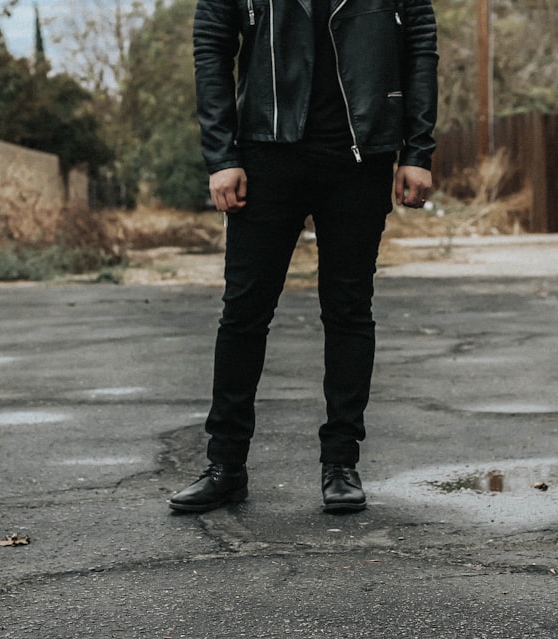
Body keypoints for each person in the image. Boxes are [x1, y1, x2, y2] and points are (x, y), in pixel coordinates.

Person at [168, 0, 438, 513]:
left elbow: (420, 44)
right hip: (266, 151)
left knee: (349, 310)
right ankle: (225, 465)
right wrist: (221, 155)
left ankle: (341, 463)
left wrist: (417, 151)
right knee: (244, 312)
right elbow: (212, 46)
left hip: (361, 152)